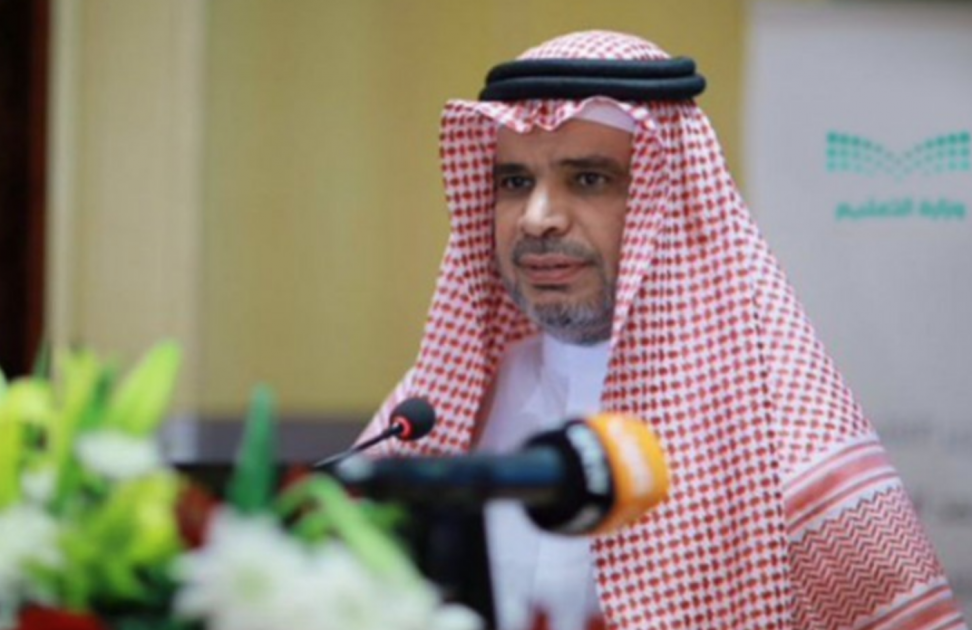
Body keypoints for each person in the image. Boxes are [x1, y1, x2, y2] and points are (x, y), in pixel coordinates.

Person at [358, 31, 967, 630]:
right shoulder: (444, 407)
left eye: (589, 179)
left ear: (669, 202)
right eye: (515, 182)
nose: (538, 218)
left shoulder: (784, 436)